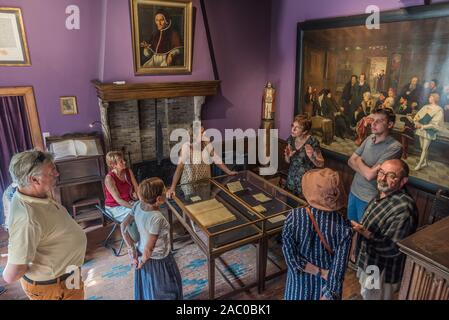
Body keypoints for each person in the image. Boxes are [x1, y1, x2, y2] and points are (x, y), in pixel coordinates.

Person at [3, 150, 86, 300]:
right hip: (53, 285)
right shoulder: (27, 219)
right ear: (34, 180)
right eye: (51, 171)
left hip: (70, 271)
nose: (57, 173)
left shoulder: (37, 194)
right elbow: (11, 275)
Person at [352, 159, 417, 300]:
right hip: (369, 262)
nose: (382, 178)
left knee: (373, 297)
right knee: (366, 293)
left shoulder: (404, 208)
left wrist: (366, 234)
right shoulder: (383, 193)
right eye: (381, 172)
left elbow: (393, 249)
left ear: (403, 180)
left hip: (379, 269)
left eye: (391, 175)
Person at [282, 168, 352, 300]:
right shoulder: (344, 227)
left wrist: (319, 271)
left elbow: (291, 259)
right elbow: (338, 271)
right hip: (324, 288)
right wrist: (328, 294)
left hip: (298, 286)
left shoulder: (294, 217)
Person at [121, 178, 182, 300]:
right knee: (166, 289)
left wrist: (131, 249)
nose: (166, 191)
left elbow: (123, 225)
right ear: (159, 199)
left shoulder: (137, 205)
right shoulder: (156, 218)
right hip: (158, 259)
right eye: (165, 190)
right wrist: (141, 263)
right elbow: (149, 249)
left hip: (141, 253)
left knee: (150, 287)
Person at [347, 108, 402, 222]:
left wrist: (359, 161)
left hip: (369, 197)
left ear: (390, 124)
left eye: (379, 121)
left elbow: (370, 176)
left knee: (362, 232)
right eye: (373, 120)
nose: (373, 123)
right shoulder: (369, 138)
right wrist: (367, 169)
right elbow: (350, 161)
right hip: (354, 191)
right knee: (350, 229)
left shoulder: (395, 147)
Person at [166, 124, 237, 199]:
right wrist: (172, 188)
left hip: (205, 182)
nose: (204, 134)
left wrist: (228, 172)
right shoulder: (187, 147)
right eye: (201, 133)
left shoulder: (206, 143)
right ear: (193, 135)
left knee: (205, 205)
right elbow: (179, 168)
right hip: (190, 185)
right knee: (192, 207)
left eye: (204, 132)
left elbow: (216, 159)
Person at [284, 115, 324, 197]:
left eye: (297, 127)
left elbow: (321, 164)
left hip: (305, 184)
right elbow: (287, 161)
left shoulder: (312, 142)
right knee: (289, 208)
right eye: (293, 126)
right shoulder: (291, 139)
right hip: (291, 182)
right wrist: (288, 156)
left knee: (302, 209)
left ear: (305, 131)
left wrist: (312, 157)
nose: (293, 129)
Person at [104, 151, 139, 222]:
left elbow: (136, 188)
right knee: (137, 214)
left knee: (148, 208)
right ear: (113, 165)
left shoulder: (128, 171)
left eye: (123, 160)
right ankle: (130, 231)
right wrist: (134, 207)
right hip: (114, 207)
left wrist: (140, 199)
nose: (124, 162)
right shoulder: (109, 178)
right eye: (121, 161)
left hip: (128, 202)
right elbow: (118, 200)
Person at [413, 92, 444, 170]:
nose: (429, 98)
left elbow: (435, 123)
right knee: (422, 147)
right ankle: (426, 162)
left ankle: (419, 164)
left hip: (429, 131)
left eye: (430, 97)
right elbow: (418, 115)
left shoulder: (438, 109)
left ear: (434, 98)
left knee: (424, 149)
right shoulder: (425, 106)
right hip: (421, 129)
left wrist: (424, 126)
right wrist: (416, 121)